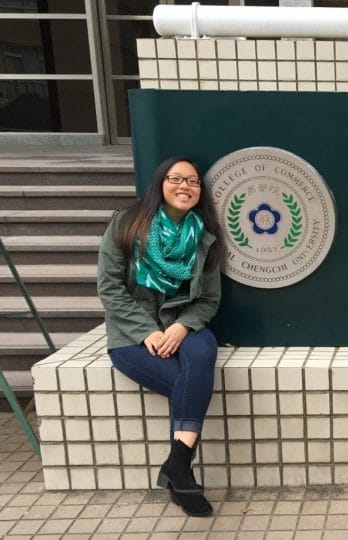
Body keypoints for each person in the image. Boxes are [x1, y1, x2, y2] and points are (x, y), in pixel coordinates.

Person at [97, 156, 222, 517]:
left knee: (202, 355)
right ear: (160, 184)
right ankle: (181, 474)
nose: (185, 186)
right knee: (190, 384)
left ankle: (177, 466)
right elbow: (110, 289)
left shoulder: (205, 237)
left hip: (185, 324)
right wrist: (146, 330)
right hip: (131, 337)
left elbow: (210, 299)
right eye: (176, 178)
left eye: (193, 182)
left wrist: (181, 326)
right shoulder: (126, 224)